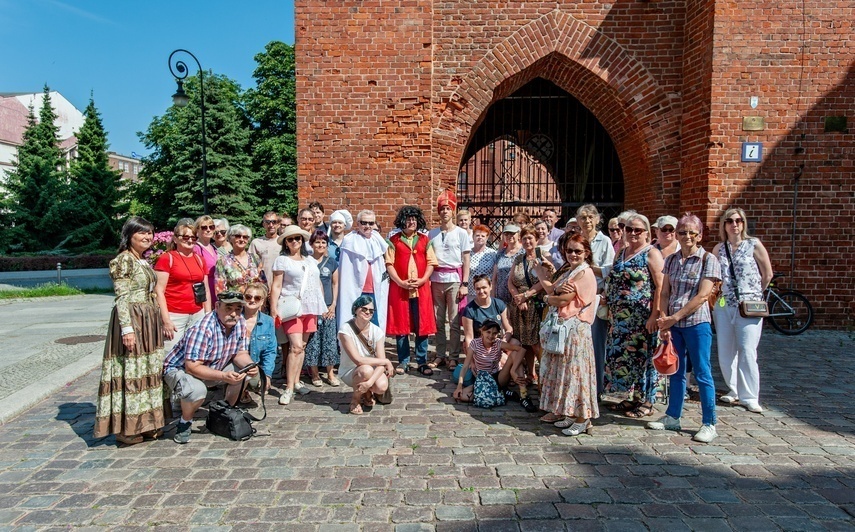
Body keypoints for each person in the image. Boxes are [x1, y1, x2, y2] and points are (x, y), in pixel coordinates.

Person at [649, 213, 721, 443]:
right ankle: (673, 415)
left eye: (692, 232)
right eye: (682, 232)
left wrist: (675, 317)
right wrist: (663, 317)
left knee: (702, 371)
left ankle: (709, 422)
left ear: (699, 235)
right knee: (675, 371)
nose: (687, 236)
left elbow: (703, 295)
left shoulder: (708, 260)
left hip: (696, 323)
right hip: (674, 324)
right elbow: (665, 291)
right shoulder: (671, 260)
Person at [94, 217, 166, 446]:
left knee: (147, 368)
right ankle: (128, 427)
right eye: (141, 233)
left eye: (150, 233)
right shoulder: (123, 260)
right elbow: (122, 297)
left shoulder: (142, 260)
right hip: (133, 320)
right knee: (132, 370)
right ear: (129, 235)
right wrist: (127, 329)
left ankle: (147, 422)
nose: (147, 237)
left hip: (147, 320)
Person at [162, 290, 259, 444]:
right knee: (197, 391)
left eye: (238, 309)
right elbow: (192, 367)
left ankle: (223, 412)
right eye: (228, 308)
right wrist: (222, 376)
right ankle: (184, 422)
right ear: (217, 306)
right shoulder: (203, 328)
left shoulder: (239, 322)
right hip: (181, 369)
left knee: (244, 374)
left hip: (214, 365)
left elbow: (239, 352)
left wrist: (249, 365)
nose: (234, 313)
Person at [535, 233, 599, 436]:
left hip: (577, 329)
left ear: (586, 253)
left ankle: (584, 418)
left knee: (578, 374)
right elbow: (556, 290)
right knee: (566, 372)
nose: (573, 254)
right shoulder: (571, 271)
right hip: (566, 327)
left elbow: (563, 299)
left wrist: (547, 298)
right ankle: (570, 414)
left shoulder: (584, 273)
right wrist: (547, 280)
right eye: (569, 250)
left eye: (577, 251)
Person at [712, 208, 773, 413]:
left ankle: (749, 395)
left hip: (749, 305)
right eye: (729, 220)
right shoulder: (719, 249)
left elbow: (767, 274)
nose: (734, 224)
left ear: (743, 223)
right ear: (724, 224)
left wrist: (753, 294)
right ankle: (733, 389)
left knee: (747, 350)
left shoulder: (753, 245)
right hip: (724, 304)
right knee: (725, 350)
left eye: (738, 220)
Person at [603, 213, 664, 418]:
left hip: (642, 317)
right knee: (627, 359)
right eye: (629, 229)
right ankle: (631, 397)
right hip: (620, 319)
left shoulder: (651, 253)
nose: (633, 233)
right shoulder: (621, 251)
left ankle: (647, 401)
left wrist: (655, 315)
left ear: (647, 232)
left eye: (638, 229)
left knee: (643, 358)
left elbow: (660, 286)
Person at [270, 225, 327, 405]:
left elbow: (317, 284)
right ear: (286, 242)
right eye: (291, 239)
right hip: (292, 306)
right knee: (295, 346)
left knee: (301, 346)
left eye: (298, 238)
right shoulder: (282, 260)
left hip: (311, 307)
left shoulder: (310, 260)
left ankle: (295, 381)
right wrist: (273, 308)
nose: (295, 241)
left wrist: (323, 305)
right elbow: (277, 286)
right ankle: (288, 387)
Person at [385, 206, 437, 376]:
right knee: (401, 326)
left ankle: (421, 361)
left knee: (422, 325)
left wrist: (423, 280)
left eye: (414, 219)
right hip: (400, 289)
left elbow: (431, 263)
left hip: (421, 290)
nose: (411, 221)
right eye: (408, 219)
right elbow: (389, 264)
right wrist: (400, 282)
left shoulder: (424, 240)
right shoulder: (394, 240)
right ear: (402, 221)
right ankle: (404, 360)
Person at [426, 189, 472, 371]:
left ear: (453, 211)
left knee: (453, 320)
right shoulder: (432, 234)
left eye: (448, 208)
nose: (445, 211)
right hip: (436, 279)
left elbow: (466, 258)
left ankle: (453, 356)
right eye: (442, 208)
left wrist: (465, 283)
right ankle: (439, 354)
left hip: (454, 279)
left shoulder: (461, 233)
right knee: (438, 321)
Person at [508, 224, 555, 394]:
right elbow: (510, 281)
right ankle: (530, 374)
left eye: (530, 238)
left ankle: (545, 379)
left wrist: (526, 296)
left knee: (536, 343)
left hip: (535, 305)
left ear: (536, 240)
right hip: (519, 305)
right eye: (524, 238)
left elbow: (545, 282)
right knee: (524, 343)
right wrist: (517, 297)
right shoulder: (518, 259)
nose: (527, 241)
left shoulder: (543, 256)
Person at [576, 204, 616, 400]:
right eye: (583, 218)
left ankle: (597, 388)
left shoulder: (605, 241)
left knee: (596, 344)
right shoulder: (577, 240)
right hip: (577, 298)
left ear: (597, 219)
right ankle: (580, 385)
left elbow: (609, 270)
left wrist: (589, 268)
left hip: (596, 296)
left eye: (590, 217)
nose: (587, 221)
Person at [154, 219, 212, 353]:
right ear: (175, 239)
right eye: (185, 237)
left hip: (197, 313)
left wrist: (207, 315)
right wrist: (166, 319)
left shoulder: (199, 259)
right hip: (175, 315)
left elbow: (206, 289)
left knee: (195, 353)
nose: (190, 240)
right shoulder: (167, 258)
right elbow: (159, 291)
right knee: (171, 354)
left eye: (193, 237)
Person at [338, 296, 393, 415]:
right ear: (356, 309)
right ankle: (355, 400)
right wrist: (385, 361)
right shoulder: (345, 330)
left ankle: (367, 391)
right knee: (366, 370)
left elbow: (381, 363)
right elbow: (358, 360)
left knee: (381, 386)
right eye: (364, 309)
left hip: (371, 370)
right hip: (350, 370)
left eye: (371, 310)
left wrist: (369, 383)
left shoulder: (377, 331)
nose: (368, 312)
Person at [337, 209, 390, 330]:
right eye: (364, 222)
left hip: (374, 289)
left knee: (374, 322)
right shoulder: (349, 240)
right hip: (355, 289)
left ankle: (374, 348)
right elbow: (346, 269)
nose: (367, 226)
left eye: (371, 223)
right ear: (358, 223)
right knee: (356, 322)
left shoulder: (377, 239)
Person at [453, 319, 526, 403]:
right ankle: (502, 393)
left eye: (494, 333)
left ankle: (524, 395)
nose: (491, 335)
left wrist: (513, 371)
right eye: (488, 332)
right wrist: (459, 386)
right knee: (462, 396)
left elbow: (521, 350)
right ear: (482, 331)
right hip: (482, 379)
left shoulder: (498, 343)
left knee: (515, 355)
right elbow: (465, 366)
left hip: (498, 377)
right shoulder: (475, 344)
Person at [304, 229, 341, 387]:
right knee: (313, 340)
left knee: (329, 341)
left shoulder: (331, 262)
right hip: (312, 307)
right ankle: (314, 374)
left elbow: (335, 283)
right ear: (311, 244)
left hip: (327, 306)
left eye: (323, 242)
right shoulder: (306, 261)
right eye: (317, 242)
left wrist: (333, 304)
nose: (320, 245)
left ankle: (330, 373)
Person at [241, 282, 277, 403]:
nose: (252, 300)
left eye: (257, 298)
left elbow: (270, 351)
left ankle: (250, 384)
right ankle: (240, 389)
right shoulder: (234, 319)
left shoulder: (268, 322)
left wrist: (267, 374)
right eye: (248, 297)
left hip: (254, 367)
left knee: (259, 384)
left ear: (262, 301)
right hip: (236, 366)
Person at [215, 224, 266, 294]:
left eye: (245, 237)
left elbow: (263, 283)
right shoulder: (223, 261)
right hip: (234, 303)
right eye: (238, 236)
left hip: (254, 301)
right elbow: (220, 288)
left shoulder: (255, 258)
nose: (242, 239)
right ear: (230, 238)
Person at [248, 211, 282, 292]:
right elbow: (250, 266)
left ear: (278, 224)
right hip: (262, 287)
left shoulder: (283, 242)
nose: (271, 225)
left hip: (280, 288)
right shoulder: (256, 243)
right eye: (268, 222)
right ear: (264, 224)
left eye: (274, 222)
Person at [492, 224, 522, 304]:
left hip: (518, 297)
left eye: (512, 233)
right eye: (506, 234)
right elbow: (494, 278)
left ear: (519, 235)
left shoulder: (523, 252)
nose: (509, 236)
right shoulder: (500, 253)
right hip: (500, 298)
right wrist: (493, 297)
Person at [467, 225, 497, 303]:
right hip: (471, 292)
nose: (480, 237)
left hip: (487, 292)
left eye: (483, 236)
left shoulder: (492, 253)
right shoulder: (467, 253)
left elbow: (496, 273)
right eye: (477, 235)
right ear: (473, 237)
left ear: (487, 238)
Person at [194, 215, 219, 302]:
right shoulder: (196, 248)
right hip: (205, 288)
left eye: (211, 227)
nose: (208, 230)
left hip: (216, 288)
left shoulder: (214, 247)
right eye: (204, 227)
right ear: (197, 230)